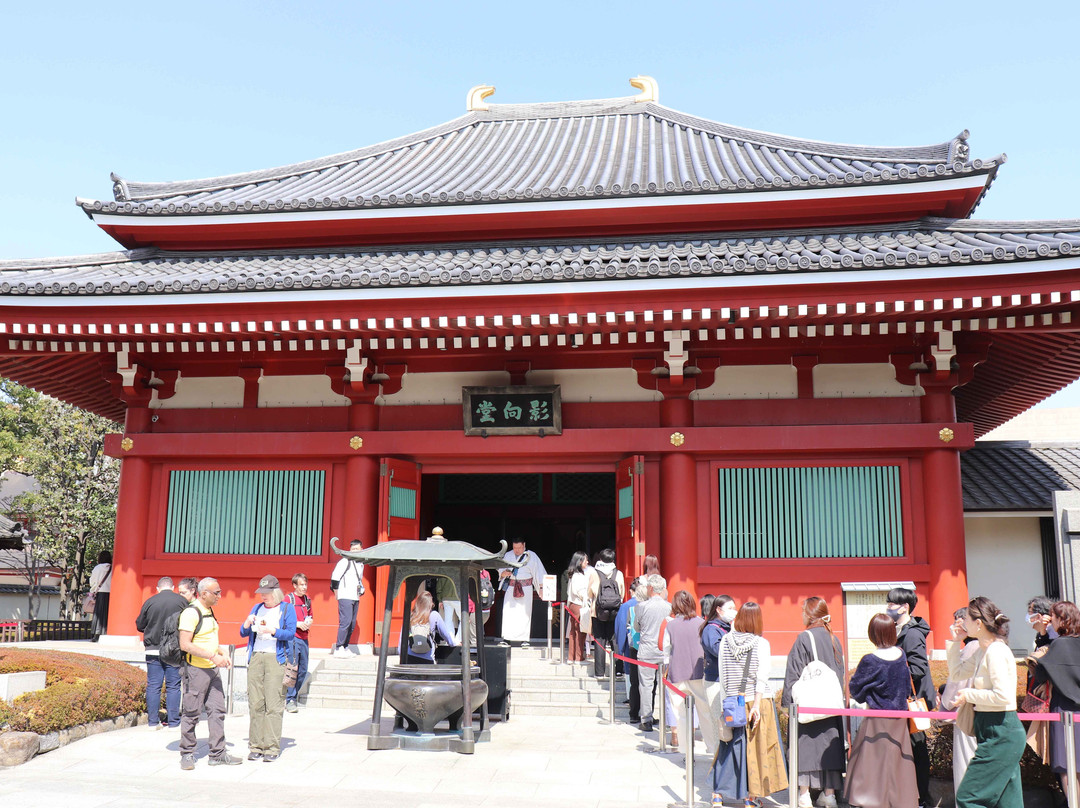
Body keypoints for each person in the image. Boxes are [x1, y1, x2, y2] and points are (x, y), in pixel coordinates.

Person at [948, 596, 1025, 808]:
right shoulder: (983, 650)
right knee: (1007, 800)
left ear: (979, 623)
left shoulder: (996, 651)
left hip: (1001, 730)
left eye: (966, 619)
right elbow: (956, 673)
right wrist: (956, 642)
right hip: (996, 729)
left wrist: (968, 695)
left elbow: (1003, 696)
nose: (963, 623)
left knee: (969, 797)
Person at [711, 602, 786, 808]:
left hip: (732, 701)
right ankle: (749, 798)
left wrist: (726, 704)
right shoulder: (760, 643)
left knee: (728, 746)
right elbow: (762, 677)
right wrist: (756, 705)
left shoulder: (725, 640)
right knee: (754, 751)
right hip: (755, 702)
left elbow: (723, 674)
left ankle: (717, 794)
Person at [846, 613, 918, 808]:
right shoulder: (901, 654)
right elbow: (905, 684)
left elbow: (855, 689)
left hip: (877, 716)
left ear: (873, 633)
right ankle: (901, 799)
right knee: (898, 760)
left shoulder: (871, 660)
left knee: (872, 761)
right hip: (900, 716)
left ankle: (871, 799)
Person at [781, 597, 846, 808]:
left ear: (810, 614)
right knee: (830, 744)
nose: (801, 614)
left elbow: (793, 674)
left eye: (802, 611)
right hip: (830, 703)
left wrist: (787, 704)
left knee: (806, 744)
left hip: (809, 704)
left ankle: (804, 794)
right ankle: (829, 794)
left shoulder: (804, 638)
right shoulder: (834, 638)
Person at [178, 577, 241, 769]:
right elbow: (185, 644)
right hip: (196, 670)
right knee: (192, 712)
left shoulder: (209, 611)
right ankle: (187, 753)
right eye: (217, 593)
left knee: (217, 711)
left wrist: (221, 651)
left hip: (212, 670)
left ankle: (218, 753)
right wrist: (213, 656)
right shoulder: (192, 612)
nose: (220, 596)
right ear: (204, 593)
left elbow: (208, 638)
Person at [886, 586, 935, 808]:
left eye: (892, 604)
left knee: (916, 747)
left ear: (904, 607)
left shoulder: (912, 632)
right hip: (904, 700)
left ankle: (922, 796)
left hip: (913, 702)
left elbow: (918, 667)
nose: (888, 608)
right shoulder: (899, 629)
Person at [240, 574, 296, 762]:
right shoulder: (257, 608)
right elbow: (243, 632)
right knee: (255, 702)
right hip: (256, 656)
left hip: (275, 658)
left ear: (276, 592)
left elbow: (290, 633)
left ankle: (271, 746)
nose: (263, 597)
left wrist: (273, 631)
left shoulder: (286, 608)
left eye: (267, 593)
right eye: (261, 593)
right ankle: (256, 745)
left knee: (274, 703)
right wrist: (246, 624)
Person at [1029, 600, 1080, 796]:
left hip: (1064, 710)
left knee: (1067, 765)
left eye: (1054, 618)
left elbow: (1041, 672)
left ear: (1061, 619)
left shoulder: (1059, 644)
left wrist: (1043, 635)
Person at [134, 576, 188, 729]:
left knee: (153, 686)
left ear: (157, 589)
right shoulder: (182, 601)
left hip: (153, 649)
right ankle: (173, 722)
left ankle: (152, 722)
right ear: (172, 588)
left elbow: (140, 625)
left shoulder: (150, 602)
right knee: (173, 686)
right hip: (174, 650)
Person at [663, 590, 712, 755]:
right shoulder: (702, 623)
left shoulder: (670, 625)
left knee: (681, 714)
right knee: (705, 713)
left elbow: (666, 652)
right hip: (699, 673)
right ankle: (712, 747)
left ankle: (686, 750)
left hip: (677, 674)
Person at [941, 607, 980, 794]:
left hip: (967, 712)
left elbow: (957, 681)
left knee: (966, 762)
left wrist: (946, 705)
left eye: (959, 620)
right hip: (984, 711)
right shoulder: (988, 644)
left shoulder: (972, 647)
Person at [634, 573, 671, 733]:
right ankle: (667, 718)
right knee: (666, 687)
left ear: (650, 588)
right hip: (664, 651)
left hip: (647, 650)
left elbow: (636, 627)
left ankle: (646, 719)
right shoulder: (669, 607)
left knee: (646, 686)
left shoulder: (641, 606)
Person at [701, 594, 736, 755]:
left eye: (734, 608)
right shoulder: (711, 629)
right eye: (730, 608)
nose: (733, 611)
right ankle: (717, 762)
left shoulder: (729, 628)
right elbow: (717, 651)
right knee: (719, 724)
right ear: (719, 610)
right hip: (715, 681)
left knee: (730, 724)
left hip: (729, 681)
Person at [499, 538, 547, 646]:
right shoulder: (508, 555)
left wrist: (542, 588)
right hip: (511, 587)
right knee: (508, 612)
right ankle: (507, 638)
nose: (517, 550)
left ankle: (524, 639)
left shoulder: (532, 556)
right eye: (515, 548)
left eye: (519, 548)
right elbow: (500, 570)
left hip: (525, 588)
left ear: (524, 545)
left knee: (524, 613)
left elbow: (539, 572)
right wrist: (503, 574)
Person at [587, 547, 624, 677]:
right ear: (613, 559)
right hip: (615, 612)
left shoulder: (594, 573)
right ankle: (619, 670)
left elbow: (589, 593)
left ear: (600, 559)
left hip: (597, 612)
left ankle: (599, 672)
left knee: (599, 641)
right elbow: (622, 593)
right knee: (615, 641)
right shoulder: (618, 574)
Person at [615, 576, 646, 724]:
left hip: (631, 646)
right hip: (649, 648)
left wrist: (620, 647)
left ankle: (633, 710)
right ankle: (647, 712)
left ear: (632, 591)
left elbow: (620, 626)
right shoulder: (647, 605)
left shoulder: (627, 606)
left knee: (632, 678)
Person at [284, 573, 313, 713]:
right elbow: (283, 619)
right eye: (301, 585)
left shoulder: (307, 600)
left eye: (305, 584)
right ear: (294, 585)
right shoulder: (288, 599)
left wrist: (308, 622)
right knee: (293, 668)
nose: (304, 587)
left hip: (304, 637)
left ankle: (292, 696)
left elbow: (310, 615)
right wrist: (297, 624)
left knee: (303, 669)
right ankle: (290, 699)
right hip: (293, 637)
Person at [330, 539, 365, 657]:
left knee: (352, 623)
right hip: (345, 595)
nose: (354, 551)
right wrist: (337, 594)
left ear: (361, 549)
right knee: (345, 621)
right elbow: (335, 578)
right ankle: (339, 647)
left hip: (355, 596)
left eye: (357, 549)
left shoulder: (361, 563)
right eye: (353, 549)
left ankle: (345, 647)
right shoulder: (345, 561)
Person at [402, 589, 456, 663]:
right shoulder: (434, 615)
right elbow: (446, 635)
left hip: (410, 658)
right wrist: (453, 643)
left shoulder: (411, 617)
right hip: (427, 660)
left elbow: (400, 644)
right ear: (431, 604)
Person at [565, 551, 589, 663]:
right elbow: (579, 590)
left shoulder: (573, 574)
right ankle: (578, 657)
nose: (587, 562)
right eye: (585, 560)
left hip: (574, 604)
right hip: (579, 604)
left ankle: (572, 657)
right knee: (580, 631)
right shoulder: (578, 575)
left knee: (573, 631)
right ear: (580, 562)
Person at [87, 549, 113, 640]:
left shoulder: (97, 568)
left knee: (98, 614)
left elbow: (92, 581)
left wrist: (93, 590)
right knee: (107, 613)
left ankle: (96, 634)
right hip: (111, 593)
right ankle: (106, 632)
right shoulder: (113, 568)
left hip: (100, 593)